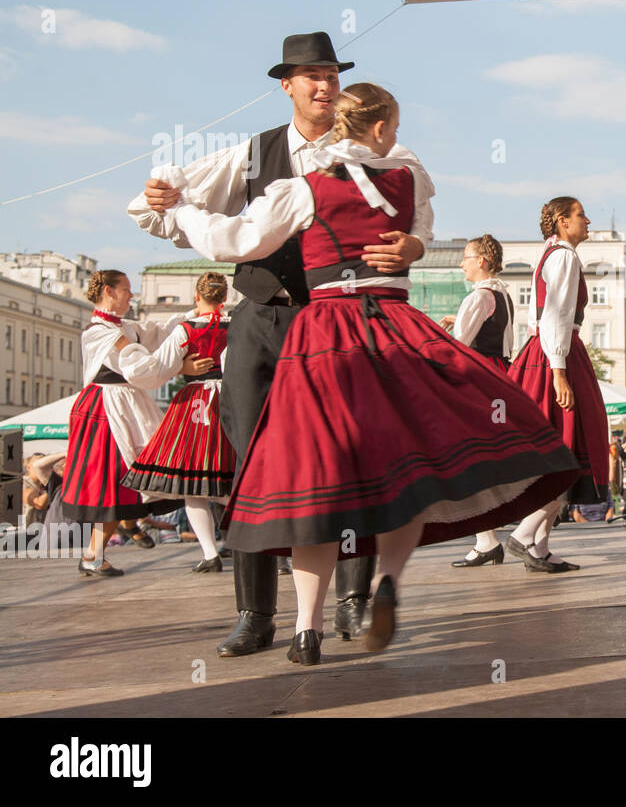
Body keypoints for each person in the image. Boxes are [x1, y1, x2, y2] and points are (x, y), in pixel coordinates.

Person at [159, 82, 580, 663]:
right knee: (393, 473)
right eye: (396, 125)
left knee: (313, 478)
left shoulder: (304, 188)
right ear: (381, 129)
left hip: (325, 333)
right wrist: (412, 245)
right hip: (391, 329)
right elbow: (421, 218)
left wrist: (179, 207)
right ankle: (380, 586)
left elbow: (237, 239)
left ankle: (306, 628)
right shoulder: (407, 180)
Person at [129, 33, 416, 656]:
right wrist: (159, 197)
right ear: (285, 85)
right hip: (262, 318)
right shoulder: (252, 154)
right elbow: (159, 210)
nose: (324, 84)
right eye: (310, 75)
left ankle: (350, 604)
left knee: (350, 455)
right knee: (249, 458)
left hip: (338, 318)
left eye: (331, 74)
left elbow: (417, 220)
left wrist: (414, 246)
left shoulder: (378, 152)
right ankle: (256, 613)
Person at [61, 271, 194, 577]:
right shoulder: (100, 332)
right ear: (109, 291)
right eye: (126, 290)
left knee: (133, 473)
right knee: (116, 479)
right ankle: (99, 550)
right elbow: (139, 366)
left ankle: (127, 526)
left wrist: (194, 316)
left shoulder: (125, 327)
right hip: (107, 409)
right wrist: (178, 366)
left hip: (126, 406)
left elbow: (159, 332)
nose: (131, 296)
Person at [505, 197, 611, 572]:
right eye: (581, 215)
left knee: (563, 447)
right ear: (563, 222)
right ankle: (524, 535)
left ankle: (539, 547)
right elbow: (556, 315)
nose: (588, 220)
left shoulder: (549, 253)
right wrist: (560, 370)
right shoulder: (564, 256)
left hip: (543, 354)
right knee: (568, 449)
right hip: (557, 355)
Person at [122, 273, 235, 573]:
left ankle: (210, 552)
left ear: (197, 298)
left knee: (194, 486)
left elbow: (158, 367)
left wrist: (135, 361)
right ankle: (259, 548)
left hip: (195, 404)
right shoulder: (236, 326)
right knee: (234, 479)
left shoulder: (186, 329)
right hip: (231, 402)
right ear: (224, 298)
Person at [439, 234, 515, 568]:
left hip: (478, 381)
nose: (461, 264)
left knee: (471, 460)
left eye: (466, 258)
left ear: (481, 261)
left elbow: (461, 348)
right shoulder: (503, 296)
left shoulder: (478, 297)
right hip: (500, 378)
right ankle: (488, 539)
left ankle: (490, 540)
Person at [22, 453, 62, 530]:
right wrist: (53, 485)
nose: (44, 470)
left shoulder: (43, 485)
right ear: (28, 467)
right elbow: (39, 503)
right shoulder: (23, 483)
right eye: (41, 467)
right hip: (27, 531)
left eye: (48, 467)